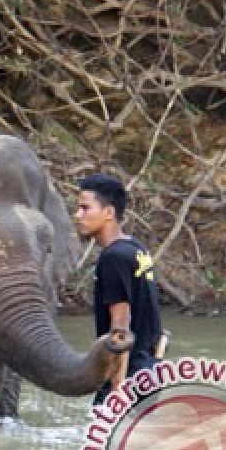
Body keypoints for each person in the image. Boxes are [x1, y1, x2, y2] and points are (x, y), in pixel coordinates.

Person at [74, 172, 163, 406]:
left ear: (109, 213)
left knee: (102, 442)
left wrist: (118, 386)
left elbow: (121, 324)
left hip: (128, 378)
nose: (78, 215)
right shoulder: (136, 248)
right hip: (149, 372)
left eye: (85, 208)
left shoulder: (113, 258)